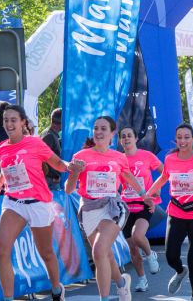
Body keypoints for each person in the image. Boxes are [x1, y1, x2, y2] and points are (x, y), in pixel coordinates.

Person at [0, 104, 77, 301]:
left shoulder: (35, 143)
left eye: (13, 120)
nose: (9, 124)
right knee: (2, 250)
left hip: (38, 202)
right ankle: (8, 298)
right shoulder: (1, 148)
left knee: (45, 253)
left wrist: (70, 167)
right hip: (13, 203)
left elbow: (56, 163)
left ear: (23, 123)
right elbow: (7, 171)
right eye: (6, 120)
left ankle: (56, 289)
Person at [65, 116, 154, 301]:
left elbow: (128, 177)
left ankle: (104, 298)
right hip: (89, 208)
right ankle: (121, 284)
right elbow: (69, 189)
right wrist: (75, 172)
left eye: (103, 129)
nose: (98, 132)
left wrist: (144, 196)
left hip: (113, 207)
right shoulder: (81, 156)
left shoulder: (119, 157)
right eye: (96, 128)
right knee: (105, 255)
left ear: (112, 134)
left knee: (99, 250)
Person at [145, 124, 193, 301]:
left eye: (187, 137)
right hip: (176, 213)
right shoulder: (170, 159)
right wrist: (147, 195)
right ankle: (180, 271)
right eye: (179, 137)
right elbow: (164, 178)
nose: (183, 141)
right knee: (171, 256)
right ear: (175, 140)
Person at [119, 125, 163, 292]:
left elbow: (165, 172)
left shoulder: (146, 156)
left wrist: (156, 188)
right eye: (123, 136)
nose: (126, 139)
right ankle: (142, 279)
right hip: (126, 206)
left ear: (136, 138)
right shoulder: (118, 159)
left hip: (145, 204)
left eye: (129, 135)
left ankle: (151, 254)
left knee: (138, 236)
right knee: (132, 247)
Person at [41, 108, 63, 189]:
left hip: (51, 180)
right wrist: (54, 176)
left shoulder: (51, 134)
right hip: (50, 181)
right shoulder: (49, 136)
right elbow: (42, 159)